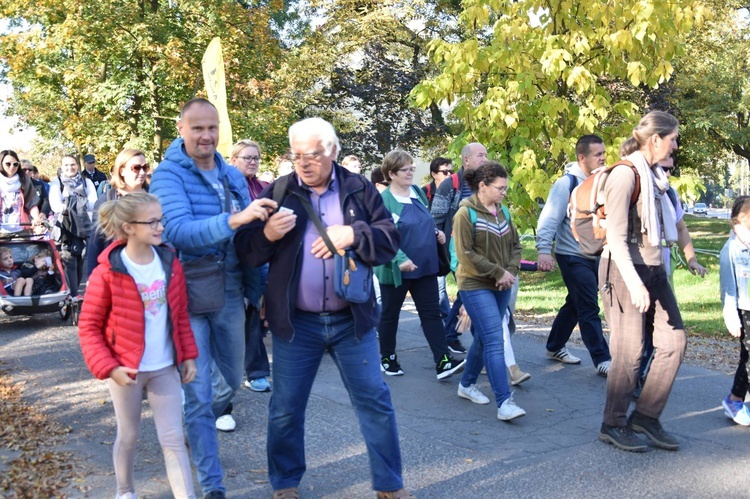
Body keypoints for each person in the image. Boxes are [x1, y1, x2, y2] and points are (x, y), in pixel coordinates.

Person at [234, 117, 414, 499]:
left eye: (312, 154)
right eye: (296, 155)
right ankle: (285, 484)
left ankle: (389, 486)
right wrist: (266, 234)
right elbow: (247, 252)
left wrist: (354, 234)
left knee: (375, 403)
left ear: (331, 151)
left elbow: (388, 239)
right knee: (285, 409)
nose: (303, 163)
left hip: (353, 321)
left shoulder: (358, 189)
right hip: (297, 324)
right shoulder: (278, 191)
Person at [149, 98, 274, 499]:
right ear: (181, 128)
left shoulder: (230, 175)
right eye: (197, 128)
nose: (206, 136)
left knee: (232, 382)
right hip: (187, 294)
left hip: (232, 291)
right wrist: (236, 219)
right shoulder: (168, 175)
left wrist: (264, 286)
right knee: (200, 394)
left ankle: (192, 422)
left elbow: (250, 237)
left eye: (212, 128)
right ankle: (211, 485)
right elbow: (181, 231)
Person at [78, 192, 199, 499]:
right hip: (126, 370)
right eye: (152, 221)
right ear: (129, 228)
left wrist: (187, 356)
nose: (160, 227)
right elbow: (89, 327)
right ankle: (125, 491)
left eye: (162, 220)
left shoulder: (170, 263)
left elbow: (180, 315)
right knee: (129, 435)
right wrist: (109, 367)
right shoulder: (107, 272)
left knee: (173, 438)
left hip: (164, 367)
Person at [597, 110, 686, 452]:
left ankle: (645, 416)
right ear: (655, 140)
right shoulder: (625, 175)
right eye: (673, 139)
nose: (675, 146)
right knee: (630, 352)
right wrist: (634, 284)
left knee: (674, 342)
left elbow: (670, 227)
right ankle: (613, 422)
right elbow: (615, 239)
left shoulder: (656, 177)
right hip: (623, 270)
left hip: (653, 268)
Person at [375, 150, 465, 380]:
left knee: (432, 314)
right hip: (397, 269)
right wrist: (400, 259)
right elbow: (382, 235)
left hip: (425, 265)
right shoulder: (383, 200)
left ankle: (443, 361)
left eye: (412, 169)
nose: (410, 173)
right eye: (405, 170)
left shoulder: (416, 192)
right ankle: (387, 358)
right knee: (390, 314)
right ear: (391, 173)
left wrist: (436, 233)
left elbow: (423, 220)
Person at [452, 160, 526, 421]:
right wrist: (498, 272)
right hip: (475, 285)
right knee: (495, 338)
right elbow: (465, 254)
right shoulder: (465, 214)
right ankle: (505, 402)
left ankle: (466, 384)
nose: (504, 193)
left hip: (502, 284)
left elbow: (517, 246)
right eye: (500, 188)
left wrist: (510, 272)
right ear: (482, 186)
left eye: (505, 188)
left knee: (485, 338)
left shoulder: (502, 211)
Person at [535, 135, 612, 376]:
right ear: (582, 157)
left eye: (603, 153)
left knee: (576, 302)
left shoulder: (602, 181)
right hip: (571, 254)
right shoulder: (566, 184)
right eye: (597, 154)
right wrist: (543, 250)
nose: (603, 158)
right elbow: (549, 219)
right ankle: (603, 359)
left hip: (597, 255)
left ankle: (555, 345)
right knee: (589, 305)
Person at [634, 155, 707, 395]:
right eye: (663, 168)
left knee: (659, 327)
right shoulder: (636, 188)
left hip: (661, 272)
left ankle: (641, 376)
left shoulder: (670, 194)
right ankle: (632, 378)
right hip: (635, 270)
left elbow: (680, 228)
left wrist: (692, 259)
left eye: (670, 170)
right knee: (638, 329)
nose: (667, 174)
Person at [432, 142, 488, 355]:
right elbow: (436, 218)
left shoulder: (485, 183)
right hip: (456, 250)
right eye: (480, 155)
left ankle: (451, 335)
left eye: (486, 155)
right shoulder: (450, 185)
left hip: (480, 249)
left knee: (468, 293)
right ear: (466, 159)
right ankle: (477, 344)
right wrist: (441, 246)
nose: (485, 159)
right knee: (471, 290)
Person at [230, 139, 271, 393]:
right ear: (233, 160)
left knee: (255, 314)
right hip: (233, 259)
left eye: (256, 157)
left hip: (260, 259)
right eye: (247, 157)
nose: (253, 162)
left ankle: (256, 371)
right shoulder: (227, 186)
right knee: (236, 316)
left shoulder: (263, 187)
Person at [87, 149, 150, 278]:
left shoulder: (154, 196)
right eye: (136, 168)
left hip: (149, 269)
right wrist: (91, 277)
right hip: (117, 271)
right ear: (122, 171)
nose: (142, 172)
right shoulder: (106, 201)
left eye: (145, 167)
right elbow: (95, 241)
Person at [720, 196, 750, 426]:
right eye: (746, 214)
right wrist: (731, 318)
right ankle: (735, 399)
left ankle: (736, 398)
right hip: (745, 309)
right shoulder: (732, 248)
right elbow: (728, 287)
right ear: (735, 220)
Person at [49, 155, 97, 297]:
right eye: (66, 165)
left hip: (83, 226)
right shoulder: (57, 182)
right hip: (66, 227)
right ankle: (73, 296)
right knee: (69, 261)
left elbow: (93, 203)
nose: (70, 168)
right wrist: (79, 203)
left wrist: (70, 204)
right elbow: (56, 205)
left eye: (73, 164)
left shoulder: (86, 182)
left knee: (81, 260)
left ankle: (74, 294)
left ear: (78, 165)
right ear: (61, 167)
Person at [1, 150, 43, 232]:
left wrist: (36, 218)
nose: (12, 167)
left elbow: (31, 203)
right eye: (8, 164)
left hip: (21, 229)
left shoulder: (24, 180)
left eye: (15, 164)